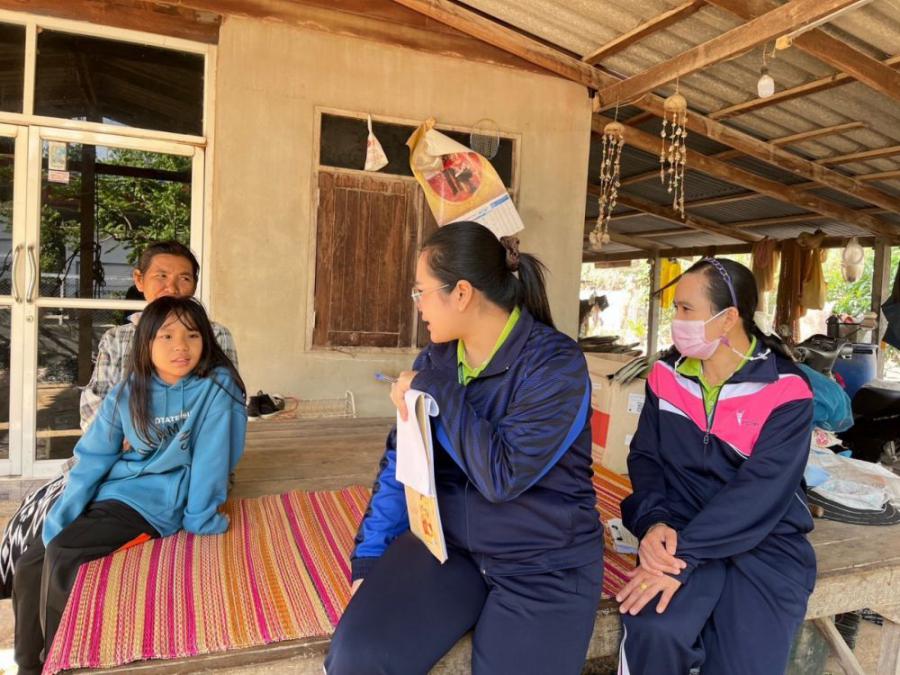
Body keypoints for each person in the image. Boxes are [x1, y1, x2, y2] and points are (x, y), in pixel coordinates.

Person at [325, 221, 604, 675]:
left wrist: (440, 391)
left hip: (542, 562)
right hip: (449, 549)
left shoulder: (555, 365)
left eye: (421, 292)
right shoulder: (435, 359)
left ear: (461, 294)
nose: (417, 305)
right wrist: (370, 557)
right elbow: (402, 463)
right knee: (358, 657)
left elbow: (503, 476)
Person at [12, 296, 247, 675]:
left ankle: (58, 664)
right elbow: (92, 459)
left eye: (192, 335)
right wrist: (61, 515)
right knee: (30, 562)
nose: (180, 346)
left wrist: (201, 518)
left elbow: (214, 458)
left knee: (64, 554)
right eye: (166, 336)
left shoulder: (216, 388)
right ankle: (27, 666)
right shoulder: (129, 391)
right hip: (113, 492)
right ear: (145, 343)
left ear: (206, 340)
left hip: (155, 506)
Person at [616, 258, 816, 675]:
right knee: (653, 630)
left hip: (761, 541)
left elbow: (760, 493)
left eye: (686, 309)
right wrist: (654, 523)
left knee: (746, 657)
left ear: (728, 319)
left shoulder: (785, 390)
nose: (676, 320)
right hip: (679, 531)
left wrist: (685, 556)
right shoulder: (666, 377)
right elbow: (646, 458)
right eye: (675, 308)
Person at [81, 240, 239, 431]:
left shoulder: (215, 334)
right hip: (121, 442)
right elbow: (93, 403)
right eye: (162, 276)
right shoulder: (116, 339)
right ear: (139, 280)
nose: (172, 288)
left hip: (189, 443)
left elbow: (226, 400)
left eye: (184, 278)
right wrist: (123, 435)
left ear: (194, 286)